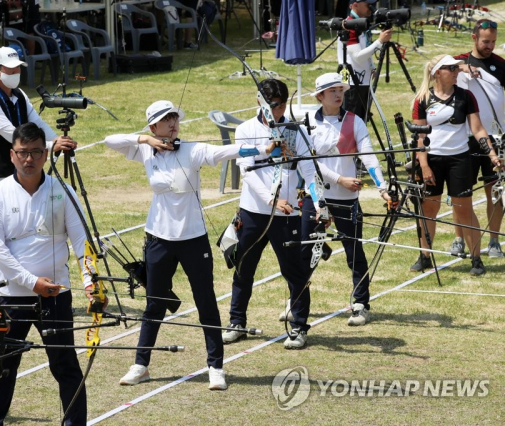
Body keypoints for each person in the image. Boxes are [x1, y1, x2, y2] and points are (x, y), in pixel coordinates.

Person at [105, 100, 276, 390]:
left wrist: (262, 149)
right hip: (158, 238)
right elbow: (109, 140)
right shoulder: (145, 149)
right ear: (153, 127)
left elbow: (226, 151)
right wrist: (146, 140)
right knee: (154, 304)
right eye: (165, 120)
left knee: (205, 302)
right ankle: (141, 364)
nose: (173, 123)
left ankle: (216, 367)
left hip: (193, 239)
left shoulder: (193, 150)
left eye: (174, 118)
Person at [0, 123, 94, 425]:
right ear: (12, 155)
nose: (28, 159)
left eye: (34, 152)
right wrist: (32, 283)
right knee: (3, 368)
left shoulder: (62, 190)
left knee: (65, 365)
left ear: (45, 154)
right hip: (12, 297)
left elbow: (82, 242)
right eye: (22, 153)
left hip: (56, 296)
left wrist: (90, 281)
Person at [219, 79, 320, 350]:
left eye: (281, 105)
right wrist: (271, 199)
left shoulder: (294, 130)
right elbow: (246, 170)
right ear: (259, 101)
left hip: (286, 214)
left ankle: (298, 326)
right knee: (243, 268)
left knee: (295, 271)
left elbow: (309, 170)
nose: (277, 111)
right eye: (272, 105)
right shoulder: (246, 130)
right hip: (254, 211)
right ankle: (237, 322)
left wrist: (318, 200)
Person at [302, 73, 391, 327]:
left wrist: (382, 187)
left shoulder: (355, 121)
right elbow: (310, 163)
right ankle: (296, 301)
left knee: (354, 252)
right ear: (320, 96)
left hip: (347, 198)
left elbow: (369, 156)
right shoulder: (307, 122)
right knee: (307, 249)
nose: (338, 94)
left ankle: (361, 304)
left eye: (341, 89)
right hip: (316, 195)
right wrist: (340, 178)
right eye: (332, 91)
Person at [411, 54, 501, 276]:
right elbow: (419, 138)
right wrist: (424, 166)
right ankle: (424, 256)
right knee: (429, 209)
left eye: (456, 67)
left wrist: (491, 153)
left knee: (464, 210)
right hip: (431, 160)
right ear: (436, 73)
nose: (455, 71)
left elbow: (478, 129)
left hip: (459, 159)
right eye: (450, 68)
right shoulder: (422, 99)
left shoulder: (466, 96)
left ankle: (476, 260)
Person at [0, 46, 77, 224]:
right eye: (10, 69)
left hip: (20, 177)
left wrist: (56, 139)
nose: (15, 72)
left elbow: (37, 123)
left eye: (18, 68)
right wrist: (51, 146)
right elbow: (14, 137)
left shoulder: (19, 94)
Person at [451, 19, 505, 258]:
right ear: (474, 37)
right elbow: (433, 69)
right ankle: (459, 239)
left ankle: (494, 241)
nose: (490, 46)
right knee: (460, 192)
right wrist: (459, 67)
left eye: (493, 41)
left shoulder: (500, 65)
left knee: (495, 189)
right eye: (485, 41)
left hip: (496, 136)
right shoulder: (457, 61)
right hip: (465, 136)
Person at [337, 0, 392, 121]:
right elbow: (357, 56)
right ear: (355, 5)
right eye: (368, 4)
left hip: (362, 81)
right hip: (350, 82)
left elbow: (364, 48)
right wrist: (379, 42)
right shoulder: (349, 25)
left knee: (361, 122)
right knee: (351, 122)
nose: (371, 7)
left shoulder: (361, 24)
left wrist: (371, 67)